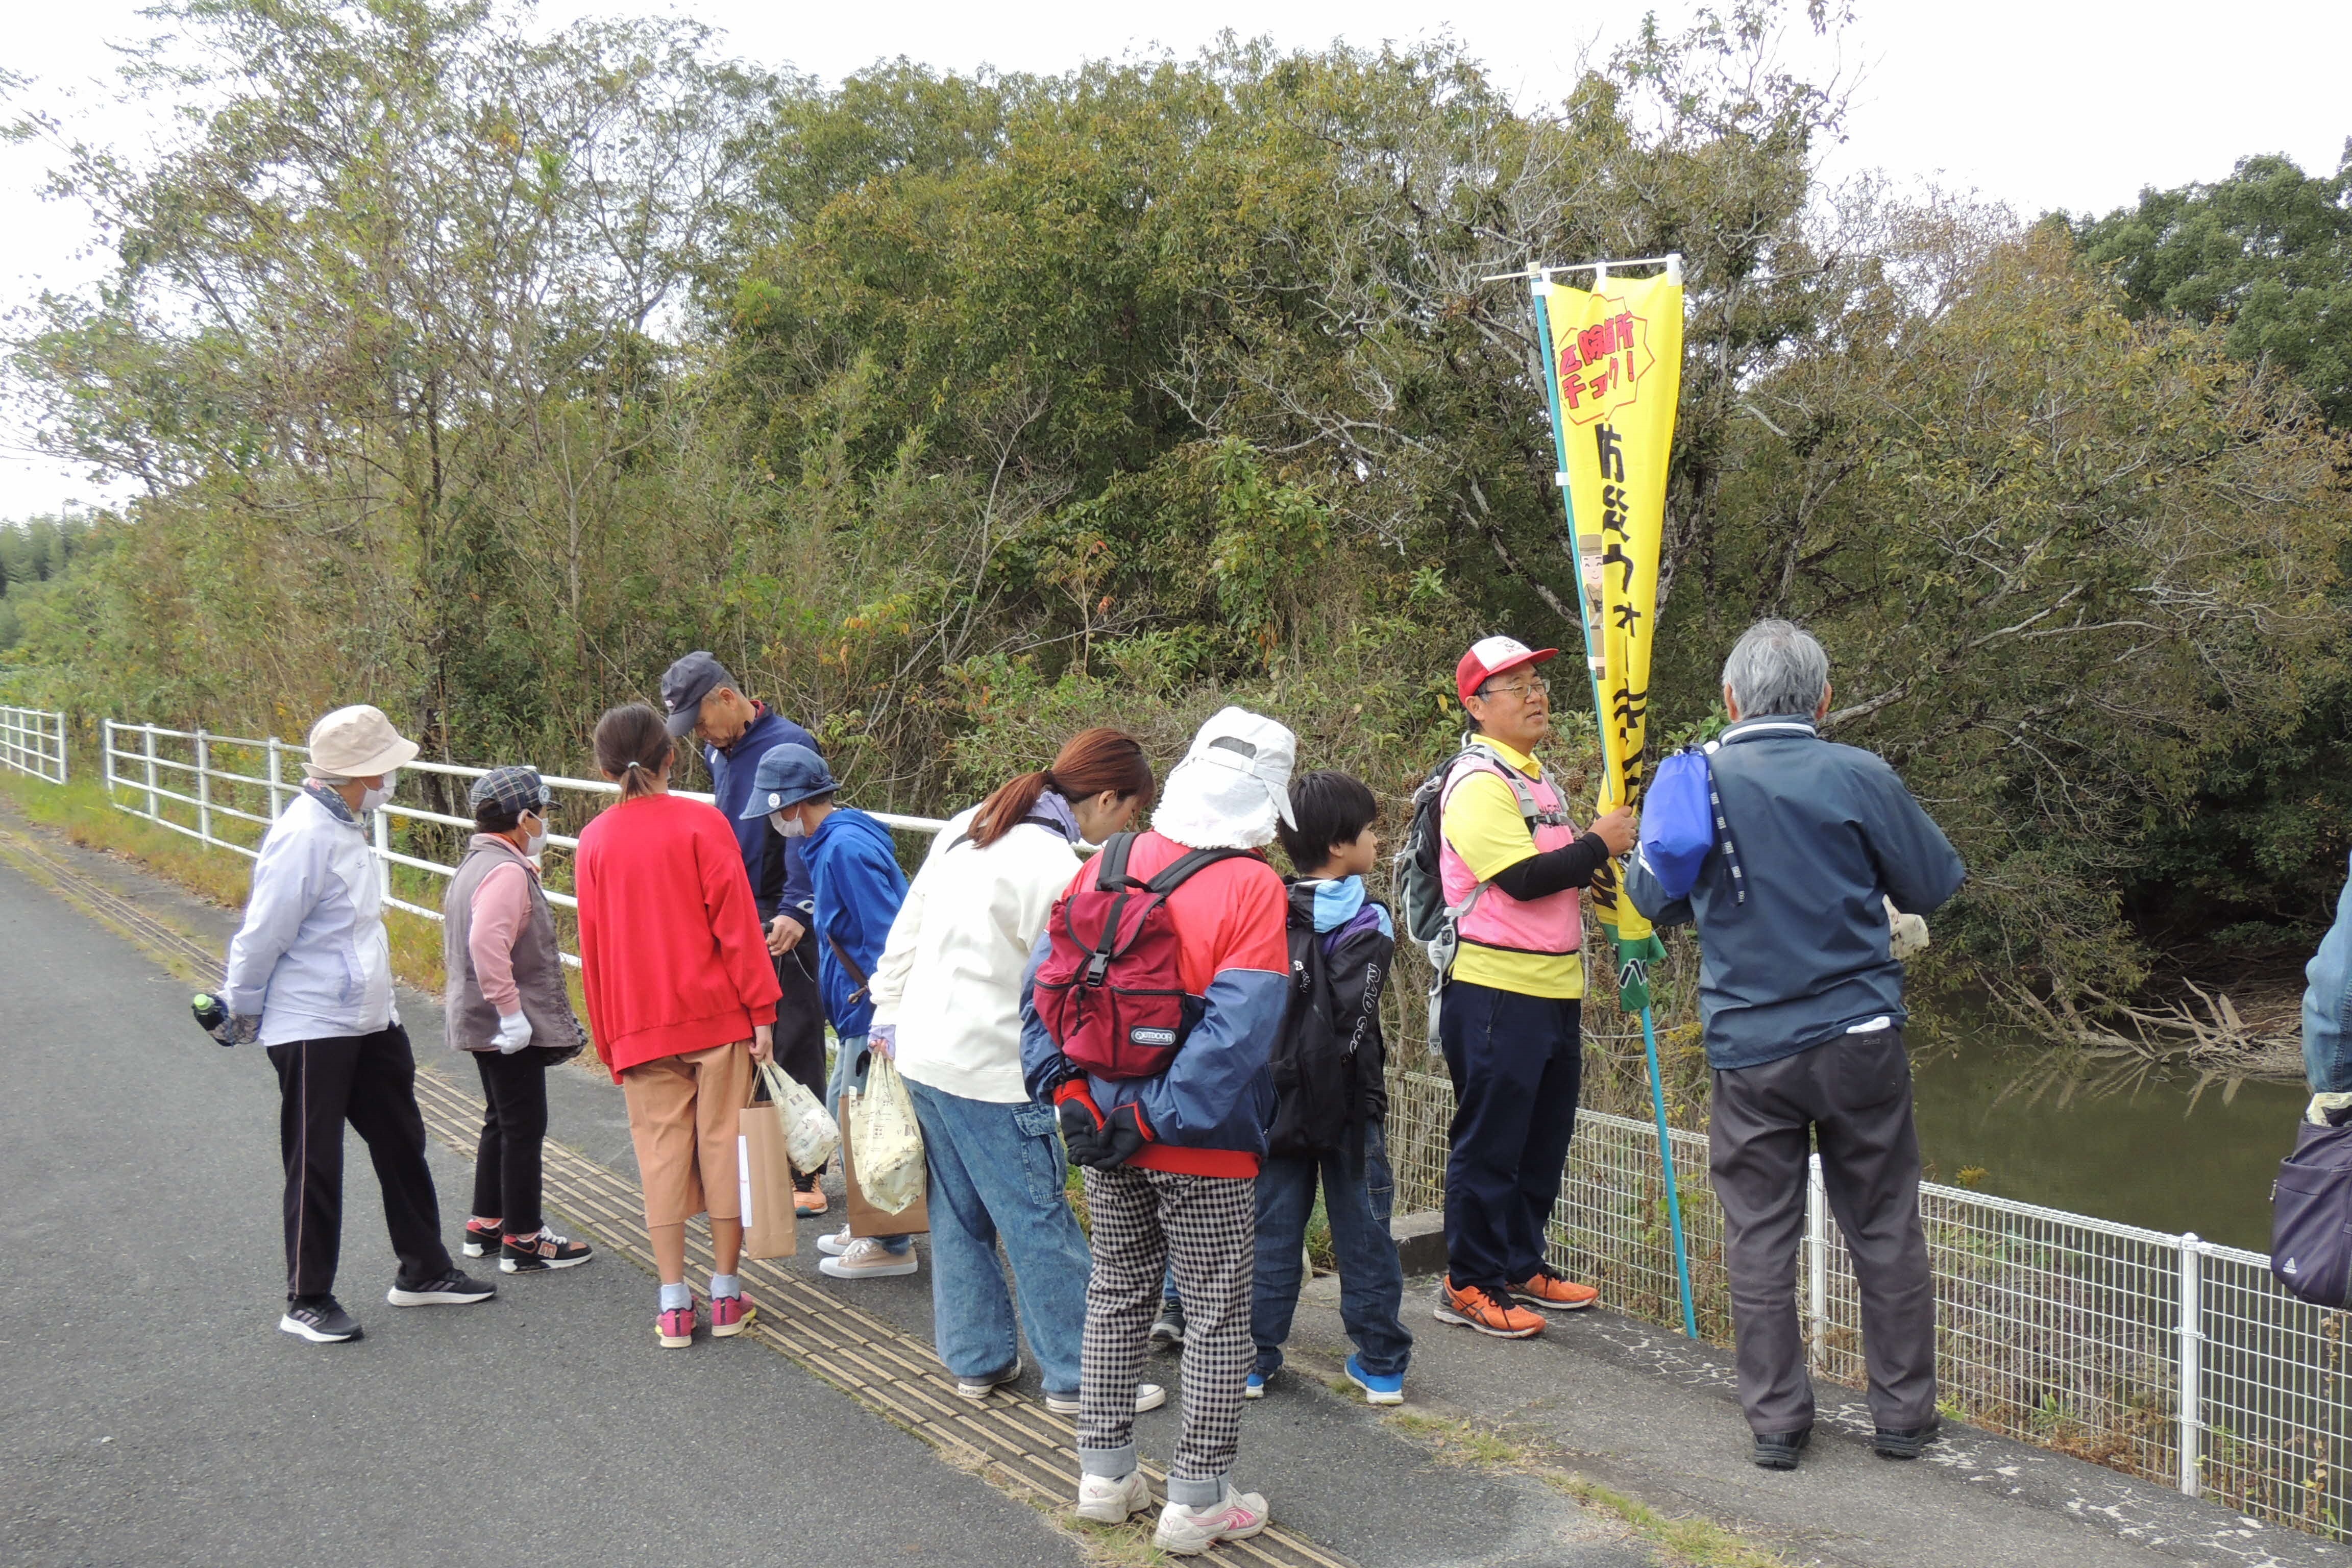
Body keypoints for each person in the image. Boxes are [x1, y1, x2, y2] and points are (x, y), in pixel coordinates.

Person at [1626, 619, 1964, 1471]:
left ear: (1729, 699)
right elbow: (1931, 882)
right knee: (1883, 1222)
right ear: (1821, 698)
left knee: (1759, 1233)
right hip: (1858, 1036)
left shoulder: (1694, 781)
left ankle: (1776, 1422)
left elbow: (1650, 899)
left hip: (1749, 1044)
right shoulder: (1856, 773)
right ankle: (1903, 1417)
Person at [1022, 706, 1295, 1557]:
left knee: (1115, 1294)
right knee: (1216, 1317)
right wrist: (1160, 1113)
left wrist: (1072, 1095)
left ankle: (1103, 1476)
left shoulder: (1105, 859)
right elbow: (1241, 1030)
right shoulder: (1253, 886)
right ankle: (1197, 1500)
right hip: (1200, 1143)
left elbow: (1042, 991)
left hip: (1104, 1131)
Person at [867, 728, 1165, 1417]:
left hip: (923, 1051)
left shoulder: (971, 824)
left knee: (959, 1217)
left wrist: (886, 1009)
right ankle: (1082, 1374)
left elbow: (906, 929)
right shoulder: (1057, 866)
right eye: (1128, 812)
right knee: (1038, 1221)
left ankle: (978, 1360)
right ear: (1107, 798)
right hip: (995, 1071)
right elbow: (1064, 989)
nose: (1125, 827)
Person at [218, 703, 495, 1343]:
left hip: (369, 1017)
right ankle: (307, 1297)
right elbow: (262, 934)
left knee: (402, 1140)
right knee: (315, 1160)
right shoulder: (304, 836)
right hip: (313, 1023)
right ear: (359, 774)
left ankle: (424, 1270)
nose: (390, 779)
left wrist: (385, 1008)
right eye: (384, 770)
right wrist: (243, 1006)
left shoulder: (345, 824)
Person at [1432, 635, 1636, 1340]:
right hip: (1493, 991)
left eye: (1536, 682)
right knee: (1490, 1143)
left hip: (1552, 989)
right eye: (1514, 685)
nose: (1535, 694)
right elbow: (1521, 880)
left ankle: (1520, 1263)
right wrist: (1599, 844)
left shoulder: (1536, 777)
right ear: (1477, 706)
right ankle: (1469, 1281)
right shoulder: (1478, 780)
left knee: (1542, 1139)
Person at [574, 703, 780, 1349]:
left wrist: (608, 1037)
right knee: (723, 1146)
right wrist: (763, 1011)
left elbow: (595, 948)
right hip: (717, 1017)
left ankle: (671, 1305)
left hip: (640, 1023)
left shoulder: (594, 841)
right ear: (672, 756)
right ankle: (724, 1296)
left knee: (660, 1157)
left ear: (605, 770)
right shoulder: (704, 823)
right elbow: (738, 928)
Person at [1250, 769, 1412, 1405]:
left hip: (1275, 1099)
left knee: (1270, 1230)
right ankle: (1380, 1362)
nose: (1377, 839)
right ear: (1342, 846)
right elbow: (1355, 1020)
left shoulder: (1266, 908)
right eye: (1371, 830)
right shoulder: (1369, 919)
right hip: (1348, 1105)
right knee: (1365, 1228)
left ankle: (1254, 1360)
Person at [662, 650, 833, 1218]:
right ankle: (759, 1163)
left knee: (794, 1035)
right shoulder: (720, 750)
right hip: (736, 906)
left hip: (782, 907)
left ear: (727, 699)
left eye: (701, 720)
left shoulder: (790, 742)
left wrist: (796, 907)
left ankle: (804, 1172)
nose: (698, 736)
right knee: (745, 1038)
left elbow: (806, 827)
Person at [740, 744, 916, 1280]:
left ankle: (889, 1239)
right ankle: (872, 1224)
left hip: (871, 1008)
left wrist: (885, 1010)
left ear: (792, 804)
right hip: (860, 1007)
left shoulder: (841, 850)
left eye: (775, 810)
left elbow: (885, 932)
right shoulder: (839, 838)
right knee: (850, 1109)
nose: (774, 822)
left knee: (864, 1118)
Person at [443, 766, 594, 1275]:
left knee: (501, 1120)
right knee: (526, 1126)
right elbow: (488, 943)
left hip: (478, 1020)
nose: (545, 824)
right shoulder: (506, 872)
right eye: (543, 814)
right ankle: (525, 1239)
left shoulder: (475, 863)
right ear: (523, 818)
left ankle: (487, 1222)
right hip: (506, 1025)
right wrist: (511, 1013)